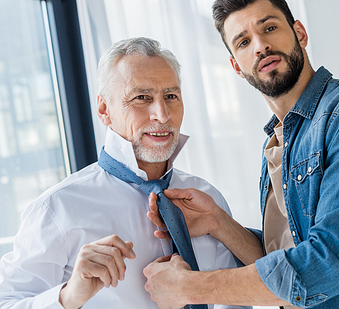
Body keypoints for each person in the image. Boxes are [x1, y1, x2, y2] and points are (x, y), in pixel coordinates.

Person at [143, 0, 339, 309]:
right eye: (243, 42)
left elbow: (325, 265)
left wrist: (191, 287)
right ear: (236, 67)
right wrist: (219, 223)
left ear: (299, 34)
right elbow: (288, 261)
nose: (259, 46)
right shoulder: (278, 142)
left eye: (269, 28)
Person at [0, 37, 244, 309]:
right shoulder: (57, 208)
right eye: (142, 98)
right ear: (104, 110)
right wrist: (68, 297)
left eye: (171, 96)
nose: (162, 115)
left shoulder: (209, 200)